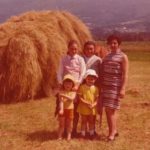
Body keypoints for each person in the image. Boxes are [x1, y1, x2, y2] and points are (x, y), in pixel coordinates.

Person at [101, 35, 129, 141]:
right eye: (111, 43)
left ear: (118, 44)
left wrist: (123, 88)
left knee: (111, 109)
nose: (113, 45)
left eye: (115, 43)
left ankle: (111, 133)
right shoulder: (107, 57)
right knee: (108, 110)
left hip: (115, 86)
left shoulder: (123, 57)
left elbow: (125, 74)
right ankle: (114, 130)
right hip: (106, 86)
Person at [56, 40, 86, 136]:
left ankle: (72, 130)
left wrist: (77, 84)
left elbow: (83, 72)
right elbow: (59, 72)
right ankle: (63, 129)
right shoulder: (63, 59)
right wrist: (60, 83)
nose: (74, 51)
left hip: (75, 88)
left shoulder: (80, 59)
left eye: (76, 49)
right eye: (72, 48)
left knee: (74, 109)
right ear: (68, 48)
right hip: (65, 87)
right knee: (62, 108)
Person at [82, 41, 102, 135]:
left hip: (94, 87)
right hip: (82, 86)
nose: (89, 50)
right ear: (84, 49)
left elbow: (101, 74)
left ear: (94, 50)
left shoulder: (98, 60)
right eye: (87, 48)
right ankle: (84, 130)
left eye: (91, 49)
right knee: (83, 108)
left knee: (93, 109)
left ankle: (92, 129)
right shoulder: (80, 58)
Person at [77, 69, 99, 139]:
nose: (90, 81)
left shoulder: (96, 88)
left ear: (95, 79)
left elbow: (97, 98)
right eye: (89, 79)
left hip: (92, 107)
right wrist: (86, 102)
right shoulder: (82, 87)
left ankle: (91, 133)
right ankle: (82, 134)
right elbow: (80, 97)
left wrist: (94, 104)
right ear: (85, 78)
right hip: (84, 107)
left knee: (91, 121)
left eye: (92, 79)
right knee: (83, 121)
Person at [57, 74, 76, 141]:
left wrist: (64, 96)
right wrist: (61, 109)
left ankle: (69, 135)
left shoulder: (73, 92)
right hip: (63, 109)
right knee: (61, 124)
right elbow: (61, 102)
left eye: (70, 84)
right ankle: (60, 135)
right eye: (66, 83)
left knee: (69, 124)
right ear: (63, 84)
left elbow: (72, 99)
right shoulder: (61, 92)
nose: (68, 85)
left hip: (70, 110)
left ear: (72, 85)